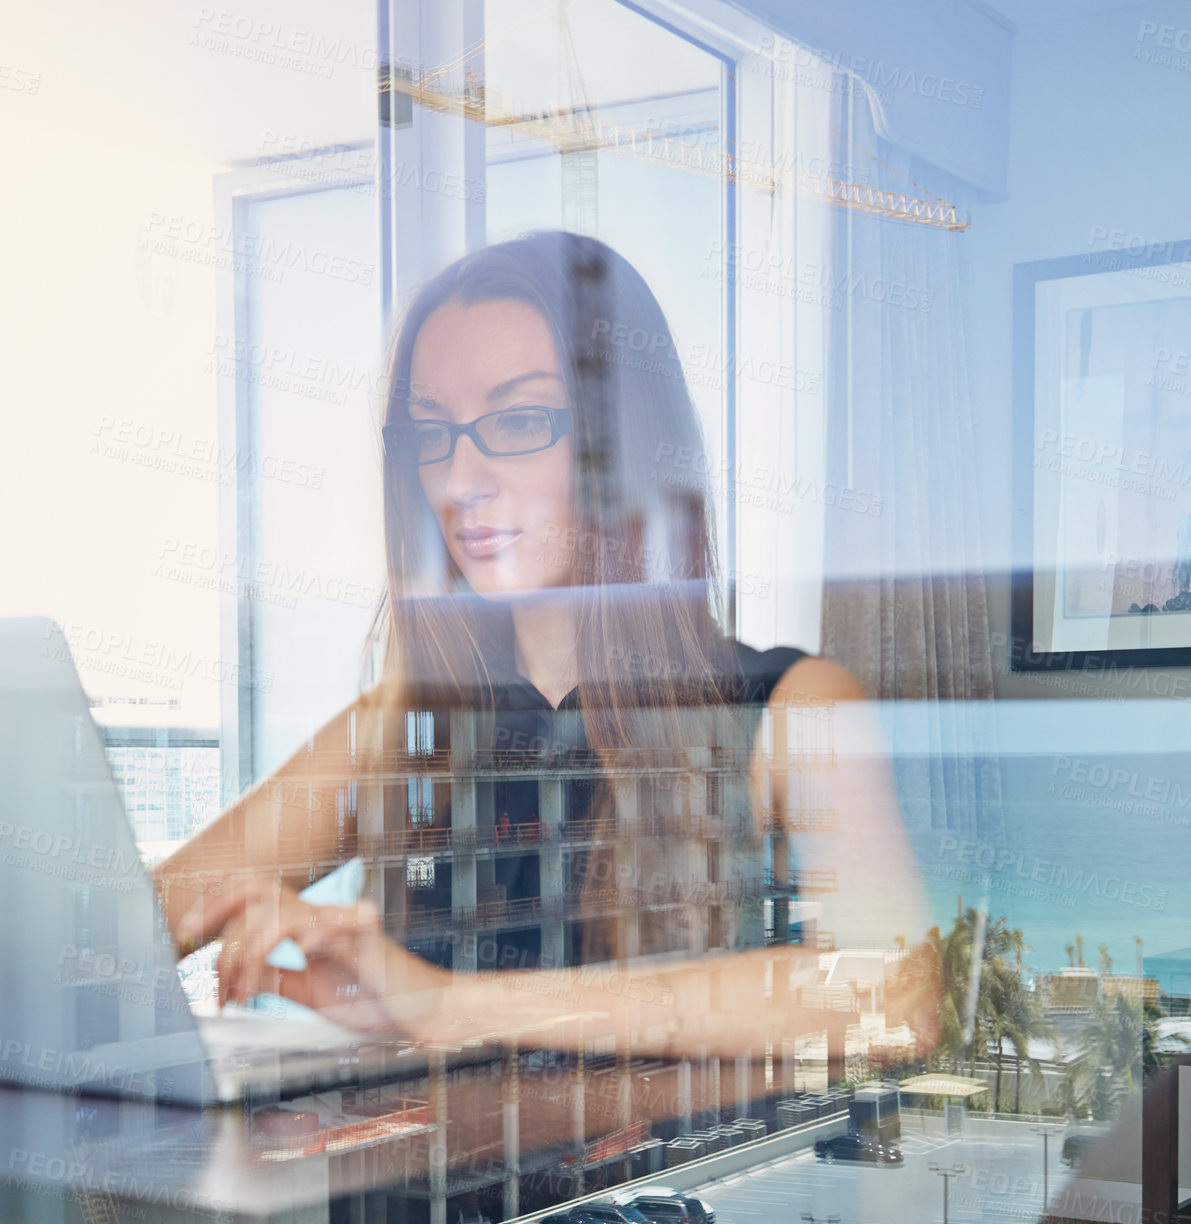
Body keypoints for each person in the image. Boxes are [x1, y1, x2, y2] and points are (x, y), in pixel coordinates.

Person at [155, 230, 933, 1061]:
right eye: (429, 435)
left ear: (620, 448)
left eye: (519, 420)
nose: (457, 484)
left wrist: (450, 1005)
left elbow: (894, 999)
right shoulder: (398, 728)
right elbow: (136, 921)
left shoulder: (794, 709)